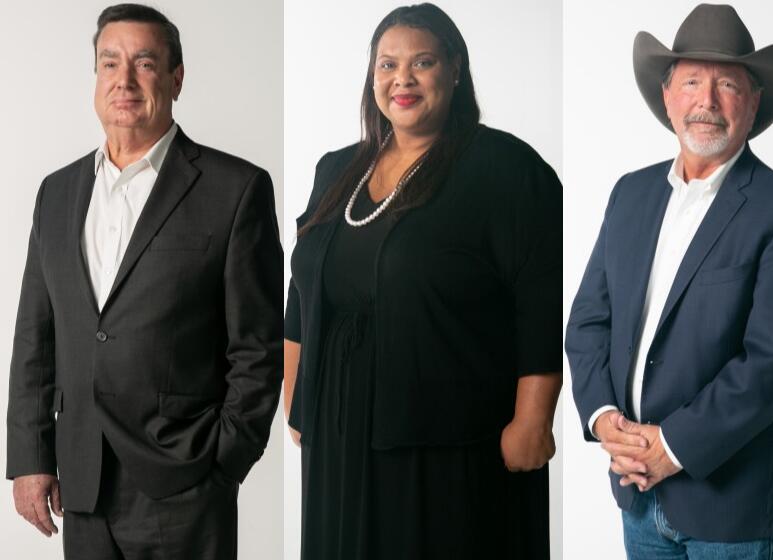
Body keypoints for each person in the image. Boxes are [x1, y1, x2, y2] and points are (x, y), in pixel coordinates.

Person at [284, 3, 562, 559]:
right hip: (339, 431)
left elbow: (541, 299)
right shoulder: (336, 169)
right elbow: (301, 293)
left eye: (423, 62)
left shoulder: (506, 169)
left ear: (455, 70)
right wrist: (296, 398)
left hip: (450, 434)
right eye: (387, 65)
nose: (402, 79)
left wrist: (534, 420)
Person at [6, 4, 283, 559]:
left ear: (177, 78)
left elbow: (258, 349)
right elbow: (36, 335)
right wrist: (32, 458)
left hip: (184, 484)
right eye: (109, 63)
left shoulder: (235, 189)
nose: (124, 80)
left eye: (145, 63)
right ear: (95, 78)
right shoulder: (56, 193)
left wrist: (221, 464)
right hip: (82, 482)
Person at [565, 4, 773, 559]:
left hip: (738, 505)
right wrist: (605, 420)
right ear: (666, 97)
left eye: (726, 84)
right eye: (690, 82)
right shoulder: (629, 195)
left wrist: (672, 446)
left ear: (753, 103)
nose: (705, 101)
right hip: (636, 492)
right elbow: (590, 320)